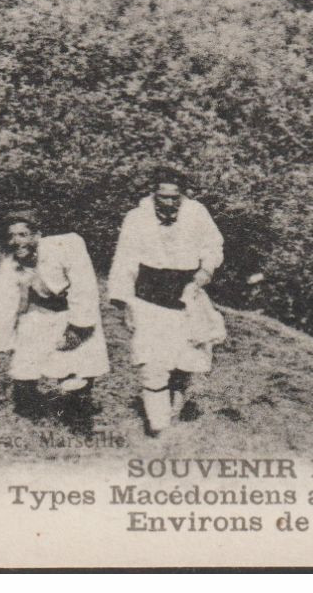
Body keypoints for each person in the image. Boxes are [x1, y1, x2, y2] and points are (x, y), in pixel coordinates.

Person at [107, 167, 226, 436]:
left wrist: (205, 271)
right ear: (153, 193)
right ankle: (158, 427)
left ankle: (173, 411)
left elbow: (213, 245)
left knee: (185, 361)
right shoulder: (136, 218)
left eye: (176, 197)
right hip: (148, 299)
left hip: (187, 297)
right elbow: (124, 259)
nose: (170, 202)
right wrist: (124, 301)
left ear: (183, 195)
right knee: (153, 363)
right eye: (164, 196)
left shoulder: (196, 213)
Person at [0, 207, 110, 429]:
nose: (16, 241)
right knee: (25, 365)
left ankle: (78, 417)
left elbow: (84, 288)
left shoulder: (66, 247)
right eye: (11, 236)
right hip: (41, 312)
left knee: (76, 369)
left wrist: (77, 328)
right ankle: (31, 417)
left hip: (74, 311)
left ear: (37, 235)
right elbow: (2, 305)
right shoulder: (12, 262)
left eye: (23, 235)